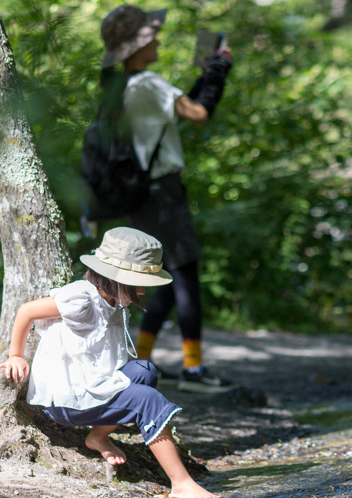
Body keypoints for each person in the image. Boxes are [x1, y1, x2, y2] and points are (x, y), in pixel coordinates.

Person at [0, 227, 218, 498]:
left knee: (145, 371)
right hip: (67, 399)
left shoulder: (112, 299)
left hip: (92, 383)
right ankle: (181, 484)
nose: (141, 291)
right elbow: (27, 310)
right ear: (115, 277)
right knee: (147, 399)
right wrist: (15, 355)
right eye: (138, 283)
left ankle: (98, 437)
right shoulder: (82, 299)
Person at [98, 4, 234, 393]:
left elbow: (174, 112)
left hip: (144, 196)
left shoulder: (124, 88)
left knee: (165, 281)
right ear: (137, 46)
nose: (157, 39)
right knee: (185, 275)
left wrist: (206, 73)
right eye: (151, 35)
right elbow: (198, 113)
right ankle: (194, 371)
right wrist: (219, 67)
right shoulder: (148, 83)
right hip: (163, 195)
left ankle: (140, 358)